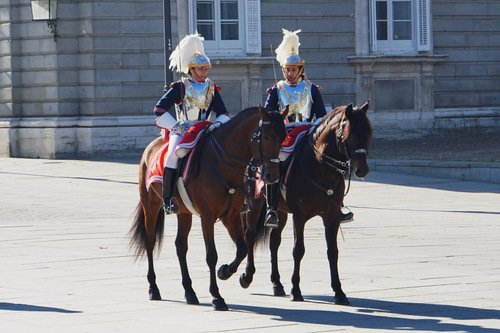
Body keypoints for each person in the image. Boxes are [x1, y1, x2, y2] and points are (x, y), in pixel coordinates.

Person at [263, 29, 353, 228]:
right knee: (276, 160)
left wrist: (316, 127)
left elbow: (321, 114)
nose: (290, 73)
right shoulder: (277, 89)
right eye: (287, 69)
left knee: (329, 157)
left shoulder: (311, 88)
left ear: (300, 70)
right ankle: (271, 207)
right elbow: (269, 113)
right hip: (286, 132)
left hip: (308, 129)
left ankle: (338, 204)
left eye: (294, 69)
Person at [154, 34, 229, 214]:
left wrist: (216, 124)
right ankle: (169, 199)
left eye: (206, 69)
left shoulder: (211, 87)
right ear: (191, 69)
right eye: (200, 69)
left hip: (205, 129)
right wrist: (175, 126)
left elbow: (223, 112)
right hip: (182, 130)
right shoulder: (180, 87)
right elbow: (159, 110)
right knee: (172, 155)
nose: (204, 73)